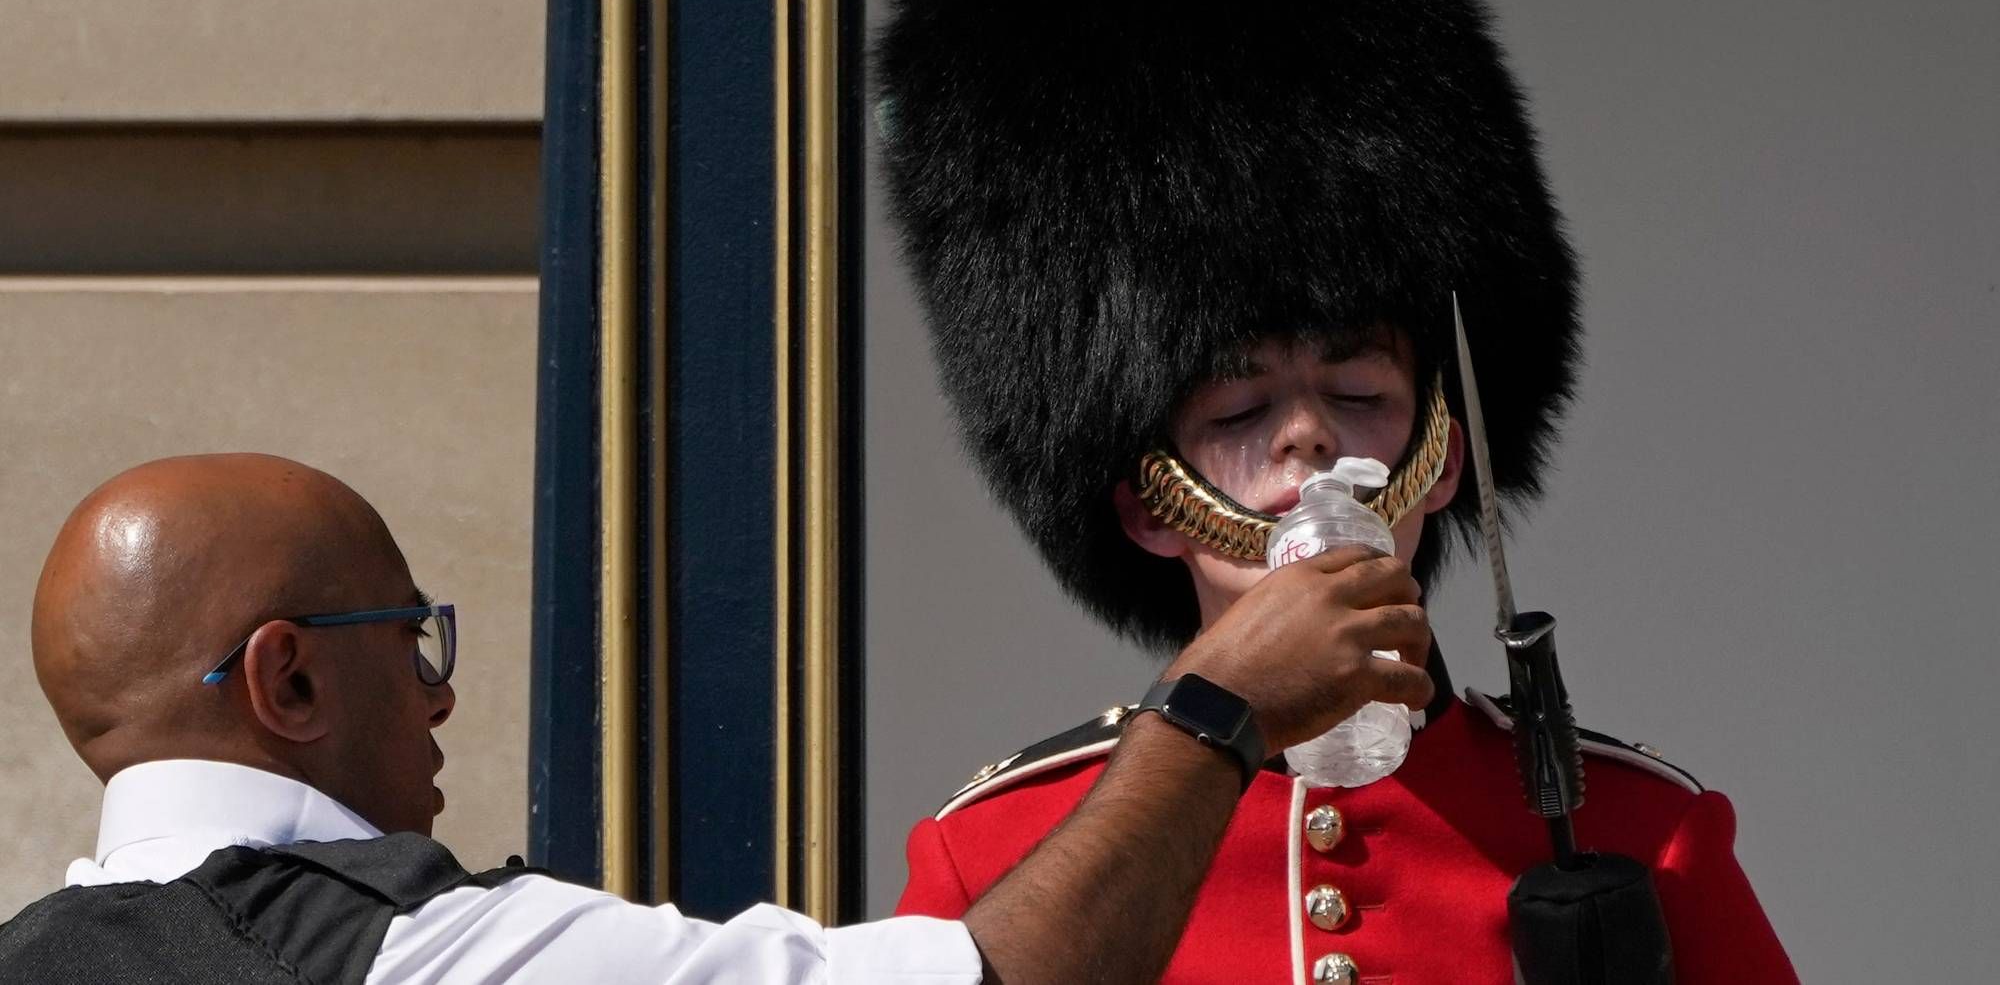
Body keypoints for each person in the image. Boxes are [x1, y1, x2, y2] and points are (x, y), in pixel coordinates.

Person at [874, 0, 1798, 981]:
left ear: (1442, 459)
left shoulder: (1646, 833)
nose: (1308, 436)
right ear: (1146, 503)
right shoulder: (993, 858)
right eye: (1240, 404)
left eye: (1359, 394)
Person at [1, 452, 1428, 984]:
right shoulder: (421, 956)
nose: (439, 692)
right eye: (408, 639)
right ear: (290, 681)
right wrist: (1217, 703)